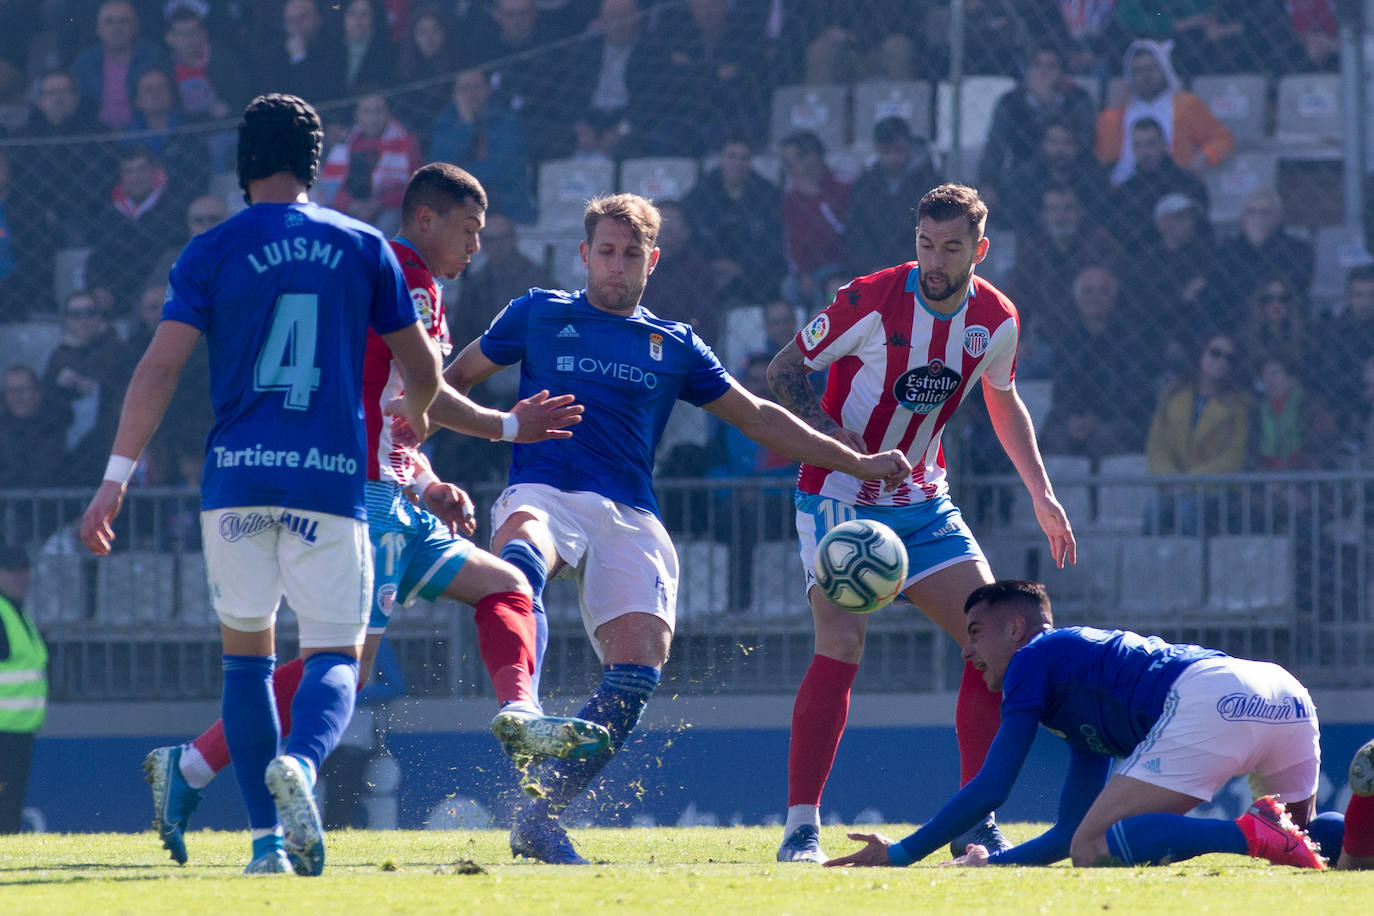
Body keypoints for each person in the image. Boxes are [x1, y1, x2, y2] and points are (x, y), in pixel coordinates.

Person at [138, 161, 610, 867]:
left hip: (388, 492)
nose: (476, 245)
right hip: (360, 496)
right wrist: (512, 427)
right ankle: (225, 767)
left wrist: (426, 482)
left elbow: (392, 412)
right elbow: (424, 396)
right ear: (425, 218)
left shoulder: (392, 278)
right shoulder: (406, 278)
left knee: (506, 587)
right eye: (468, 228)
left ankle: (521, 713)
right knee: (341, 668)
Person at [434, 192, 912, 864]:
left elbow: (757, 418)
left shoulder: (673, 344)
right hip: (545, 489)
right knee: (521, 558)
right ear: (584, 254)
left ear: (651, 262)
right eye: (605, 251)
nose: (616, 265)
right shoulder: (537, 313)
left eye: (631, 255)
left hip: (630, 511)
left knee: (640, 664)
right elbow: (449, 381)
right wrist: (408, 467)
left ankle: (540, 818)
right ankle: (525, 712)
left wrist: (855, 459)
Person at [77, 93, 440, 876]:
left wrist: (115, 479)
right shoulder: (364, 246)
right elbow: (422, 369)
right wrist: (421, 416)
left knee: (245, 664)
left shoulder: (209, 249)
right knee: (337, 656)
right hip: (331, 484)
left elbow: (162, 367)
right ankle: (303, 766)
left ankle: (265, 847)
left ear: (243, 164)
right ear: (315, 164)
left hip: (236, 484)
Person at [766, 183, 1076, 864]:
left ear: (980, 250)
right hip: (840, 492)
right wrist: (850, 455)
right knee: (842, 641)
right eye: (926, 244)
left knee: (995, 640)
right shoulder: (871, 299)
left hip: (923, 503)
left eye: (952, 247)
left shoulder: (995, 319)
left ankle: (974, 821)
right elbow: (784, 372)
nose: (935, 259)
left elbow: (1004, 399)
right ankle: (799, 829)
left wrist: (1041, 492)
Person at [823, 580, 1327, 870]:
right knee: (1312, 841)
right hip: (1281, 691)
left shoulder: (1031, 659)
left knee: (1097, 848)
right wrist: (990, 865)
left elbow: (993, 787)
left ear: (1015, 628)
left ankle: (1246, 833)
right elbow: (1069, 831)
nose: (967, 648)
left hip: (1208, 695)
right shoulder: (1074, 685)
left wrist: (903, 854)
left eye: (975, 632)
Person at [1145, 331, 1252, 535]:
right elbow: (1157, 448)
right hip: (1175, 485)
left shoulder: (1239, 405)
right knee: (1154, 509)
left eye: (1230, 358)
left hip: (1217, 490)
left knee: (1189, 509)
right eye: (1215, 353)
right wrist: (1173, 480)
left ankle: (1193, 566)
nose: (1221, 361)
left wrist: (1191, 482)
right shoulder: (1172, 396)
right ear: (1201, 354)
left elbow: (1233, 458)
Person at [1096, 40, 1234, 188]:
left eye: (1151, 68)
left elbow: (1223, 138)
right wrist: (1113, 112)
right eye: (1138, 71)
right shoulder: (1120, 110)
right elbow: (1106, 155)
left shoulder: (1186, 105)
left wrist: (1204, 156)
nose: (1146, 76)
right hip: (1128, 187)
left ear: (1164, 69)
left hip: (1173, 184)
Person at [977, 44, 1096, 207]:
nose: (1043, 72)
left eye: (1051, 66)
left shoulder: (1078, 99)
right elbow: (995, 147)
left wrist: (1048, 103)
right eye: (1037, 65)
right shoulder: (1010, 102)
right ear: (1027, 70)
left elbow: (1085, 141)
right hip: (1023, 176)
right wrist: (988, 182)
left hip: (1068, 172)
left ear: (1062, 73)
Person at [682, 133, 786, 306]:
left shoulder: (768, 195)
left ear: (750, 161)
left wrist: (742, 268)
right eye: (732, 156)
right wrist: (712, 266)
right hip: (707, 272)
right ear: (720, 158)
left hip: (755, 275)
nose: (737, 164)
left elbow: (774, 243)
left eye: (744, 158)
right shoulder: (699, 195)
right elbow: (689, 236)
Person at [427, 69, 536, 225]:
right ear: (454, 94)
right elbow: (438, 167)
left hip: (504, 203)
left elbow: (504, 169)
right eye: (464, 89)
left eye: (476, 87)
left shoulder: (507, 121)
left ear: (488, 89)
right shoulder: (446, 123)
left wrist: (458, 177)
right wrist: (466, 125)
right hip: (457, 205)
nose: (470, 94)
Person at [314, 91, 420, 236]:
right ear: (357, 115)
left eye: (379, 110)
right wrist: (351, 205)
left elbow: (415, 187)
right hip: (351, 205)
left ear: (388, 113)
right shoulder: (344, 143)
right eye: (367, 111)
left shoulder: (406, 142)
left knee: (388, 223)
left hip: (389, 206)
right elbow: (331, 186)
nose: (373, 117)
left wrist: (378, 203)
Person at [844, 117, 939, 277]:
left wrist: (906, 265)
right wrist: (872, 265)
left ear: (909, 145)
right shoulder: (864, 185)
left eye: (899, 150)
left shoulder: (931, 183)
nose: (894, 157)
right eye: (886, 152)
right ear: (877, 150)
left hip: (920, 267)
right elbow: (856, 232)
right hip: (873, 268)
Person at [779, 129, 850, 311]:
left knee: (829, 292)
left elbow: (843, 232)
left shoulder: (842, 187)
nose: (788, 170)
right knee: (788, 288)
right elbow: (790, 242)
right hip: (806, 272)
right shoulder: (791, 198)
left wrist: (818, 198)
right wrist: (802, 273)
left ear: (810, 159)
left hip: (838, 268)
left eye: (790, 163)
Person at [0, 544, 44, 834]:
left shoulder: (18, 613)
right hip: (3, 732)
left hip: (19, 732)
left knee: (10, 808)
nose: (21, 577)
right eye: (13, 571)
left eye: (25, 570)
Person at [71, 0, 165, 131]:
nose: (117, 27)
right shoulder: (84, 63)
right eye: (109, 21)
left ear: (135, 26)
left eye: (124, 21)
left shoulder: (154, 57)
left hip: (145, 134)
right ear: (98, 29)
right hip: (98, 138)